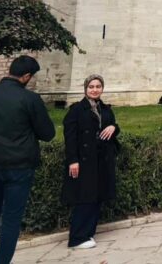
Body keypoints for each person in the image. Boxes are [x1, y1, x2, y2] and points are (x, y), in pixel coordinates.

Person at [0, 55, 56, 264]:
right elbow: (47, 133)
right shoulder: (30, 99)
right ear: (26, 76)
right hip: (19, 166)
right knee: (10, 221)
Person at [63, 74, 120, 250]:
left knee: (97, 198)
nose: (95, 90)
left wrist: (114, 127)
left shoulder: (105, 109)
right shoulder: (76, 110)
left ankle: (88, 233)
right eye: (91, 87)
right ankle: (77, 237)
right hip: (84, 161)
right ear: (86, 89)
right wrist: (73, 160)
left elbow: (112, 126)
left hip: (101, 161)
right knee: (85, 198)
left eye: (98, 86)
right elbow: (70, 137)